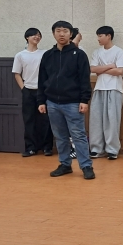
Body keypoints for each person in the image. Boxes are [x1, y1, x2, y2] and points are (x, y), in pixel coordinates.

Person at [37, 21, 95, 180]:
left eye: (65, 31)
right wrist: (41, 101)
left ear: (71, 34)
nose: (61, 34)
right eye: (58, 31)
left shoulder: (79, 54)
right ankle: (65, 164)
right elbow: (42, 79)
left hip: (73, 102)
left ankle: (86, 166)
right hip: (52, 103)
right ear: (53, 33)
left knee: (78, 135)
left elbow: (84, 79)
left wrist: (84, 100)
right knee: (60, 136)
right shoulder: (48, 55)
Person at [12, 28, 53, 157]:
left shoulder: (45, 53)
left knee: (45, 120)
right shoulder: (20, 55)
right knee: (29, 120)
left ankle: (47, 147)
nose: (37, 37)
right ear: (27, 37)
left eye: (39, 35)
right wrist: (24, 89)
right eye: (34, 35)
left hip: (43, 91)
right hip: (28, 90)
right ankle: (30, 148)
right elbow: (17, 74)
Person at [89, 26, 123, 160]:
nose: (98, 39)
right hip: (99, 88)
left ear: (109, 36)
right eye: (98, 36)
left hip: (115, 89)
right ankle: (96, 149)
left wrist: (101, 69)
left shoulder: (119, 51)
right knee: (96, 120)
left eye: (100, 36)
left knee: (112, 120)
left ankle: (112, 150)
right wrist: (110, 66)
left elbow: (119, 71)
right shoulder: (97, 52)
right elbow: (93, 69)